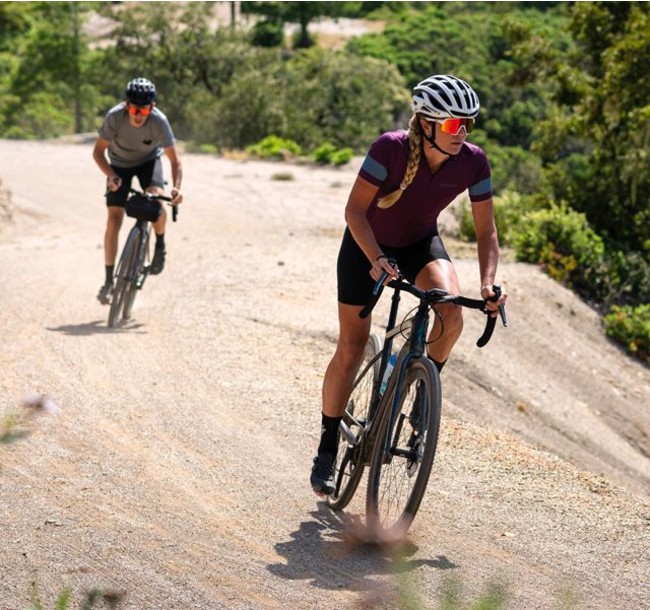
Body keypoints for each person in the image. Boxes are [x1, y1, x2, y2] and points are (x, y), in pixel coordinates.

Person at [310, 74, 508, 496]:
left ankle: (423, 387)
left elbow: (486, 232)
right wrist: (377, 258)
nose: (463, 133)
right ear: (430, 123)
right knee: (351, 346)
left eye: (469, 124)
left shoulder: (474, 161)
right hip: (366, 246)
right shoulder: (390, 149)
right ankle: (328, 443)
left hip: (421, 245)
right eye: (455, 124)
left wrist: (490, 283)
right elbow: (354, 212)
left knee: (450, 313)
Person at [92, 77, 183, 304]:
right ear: (126, 105)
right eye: (134, 108)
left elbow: (175, 161)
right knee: (114, 219)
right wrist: (110, 175)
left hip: (148, 163)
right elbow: (97, 153)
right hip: (118, 165)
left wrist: (176, 189)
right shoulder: (115, 117)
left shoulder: (159, 122)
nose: (138, 114)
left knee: (155, 204)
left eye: (143, 109)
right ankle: (108, 281)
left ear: (152, 107)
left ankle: (160, 244)